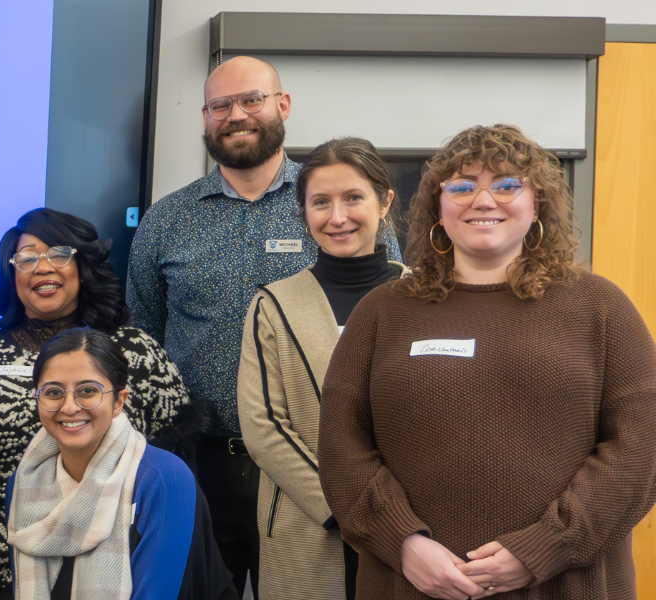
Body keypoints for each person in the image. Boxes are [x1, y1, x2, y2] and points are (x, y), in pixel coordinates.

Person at [320, 124, 656, 600]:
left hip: (567, 583)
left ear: (537, 202)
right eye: (460, 187)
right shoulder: (382, 311)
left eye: (505, 185)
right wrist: (403, 542)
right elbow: (341, 446)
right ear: (437, 205)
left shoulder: (600, 308)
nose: (483, 200)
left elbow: (640, 450)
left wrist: (544, 548)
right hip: (412, 583)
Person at [126, 56, 400, 595]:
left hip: (319, 466)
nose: (236, 115)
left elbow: (384, 311)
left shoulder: (331, 199)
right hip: (201, 464)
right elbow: (144, 337)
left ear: (283, 105)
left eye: (251, 99)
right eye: (220, 105)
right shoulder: (167, 219)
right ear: (204, 117)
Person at [0, 207, 197, 595]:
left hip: (114, 560)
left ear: (83, 266)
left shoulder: (136, 352)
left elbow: (172, 460)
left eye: (58, 254)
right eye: (27, 258)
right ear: (11, 275)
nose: (43, 268)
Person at [236, 137, 405, 600]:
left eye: (353, 198)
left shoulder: (428, 298)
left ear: (384, 201)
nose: (337, 217)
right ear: (303, 213)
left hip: (416, 523)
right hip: (309, 519)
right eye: (320, 203)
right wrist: (348, 507)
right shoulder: (272, 304)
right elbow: (263, 427)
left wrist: (396, 519)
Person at [8, 328, 239, 600]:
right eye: (53, 392)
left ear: (119, 401)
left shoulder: (163, 478)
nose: (69, 407)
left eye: (88, 391)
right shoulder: (25, 480)